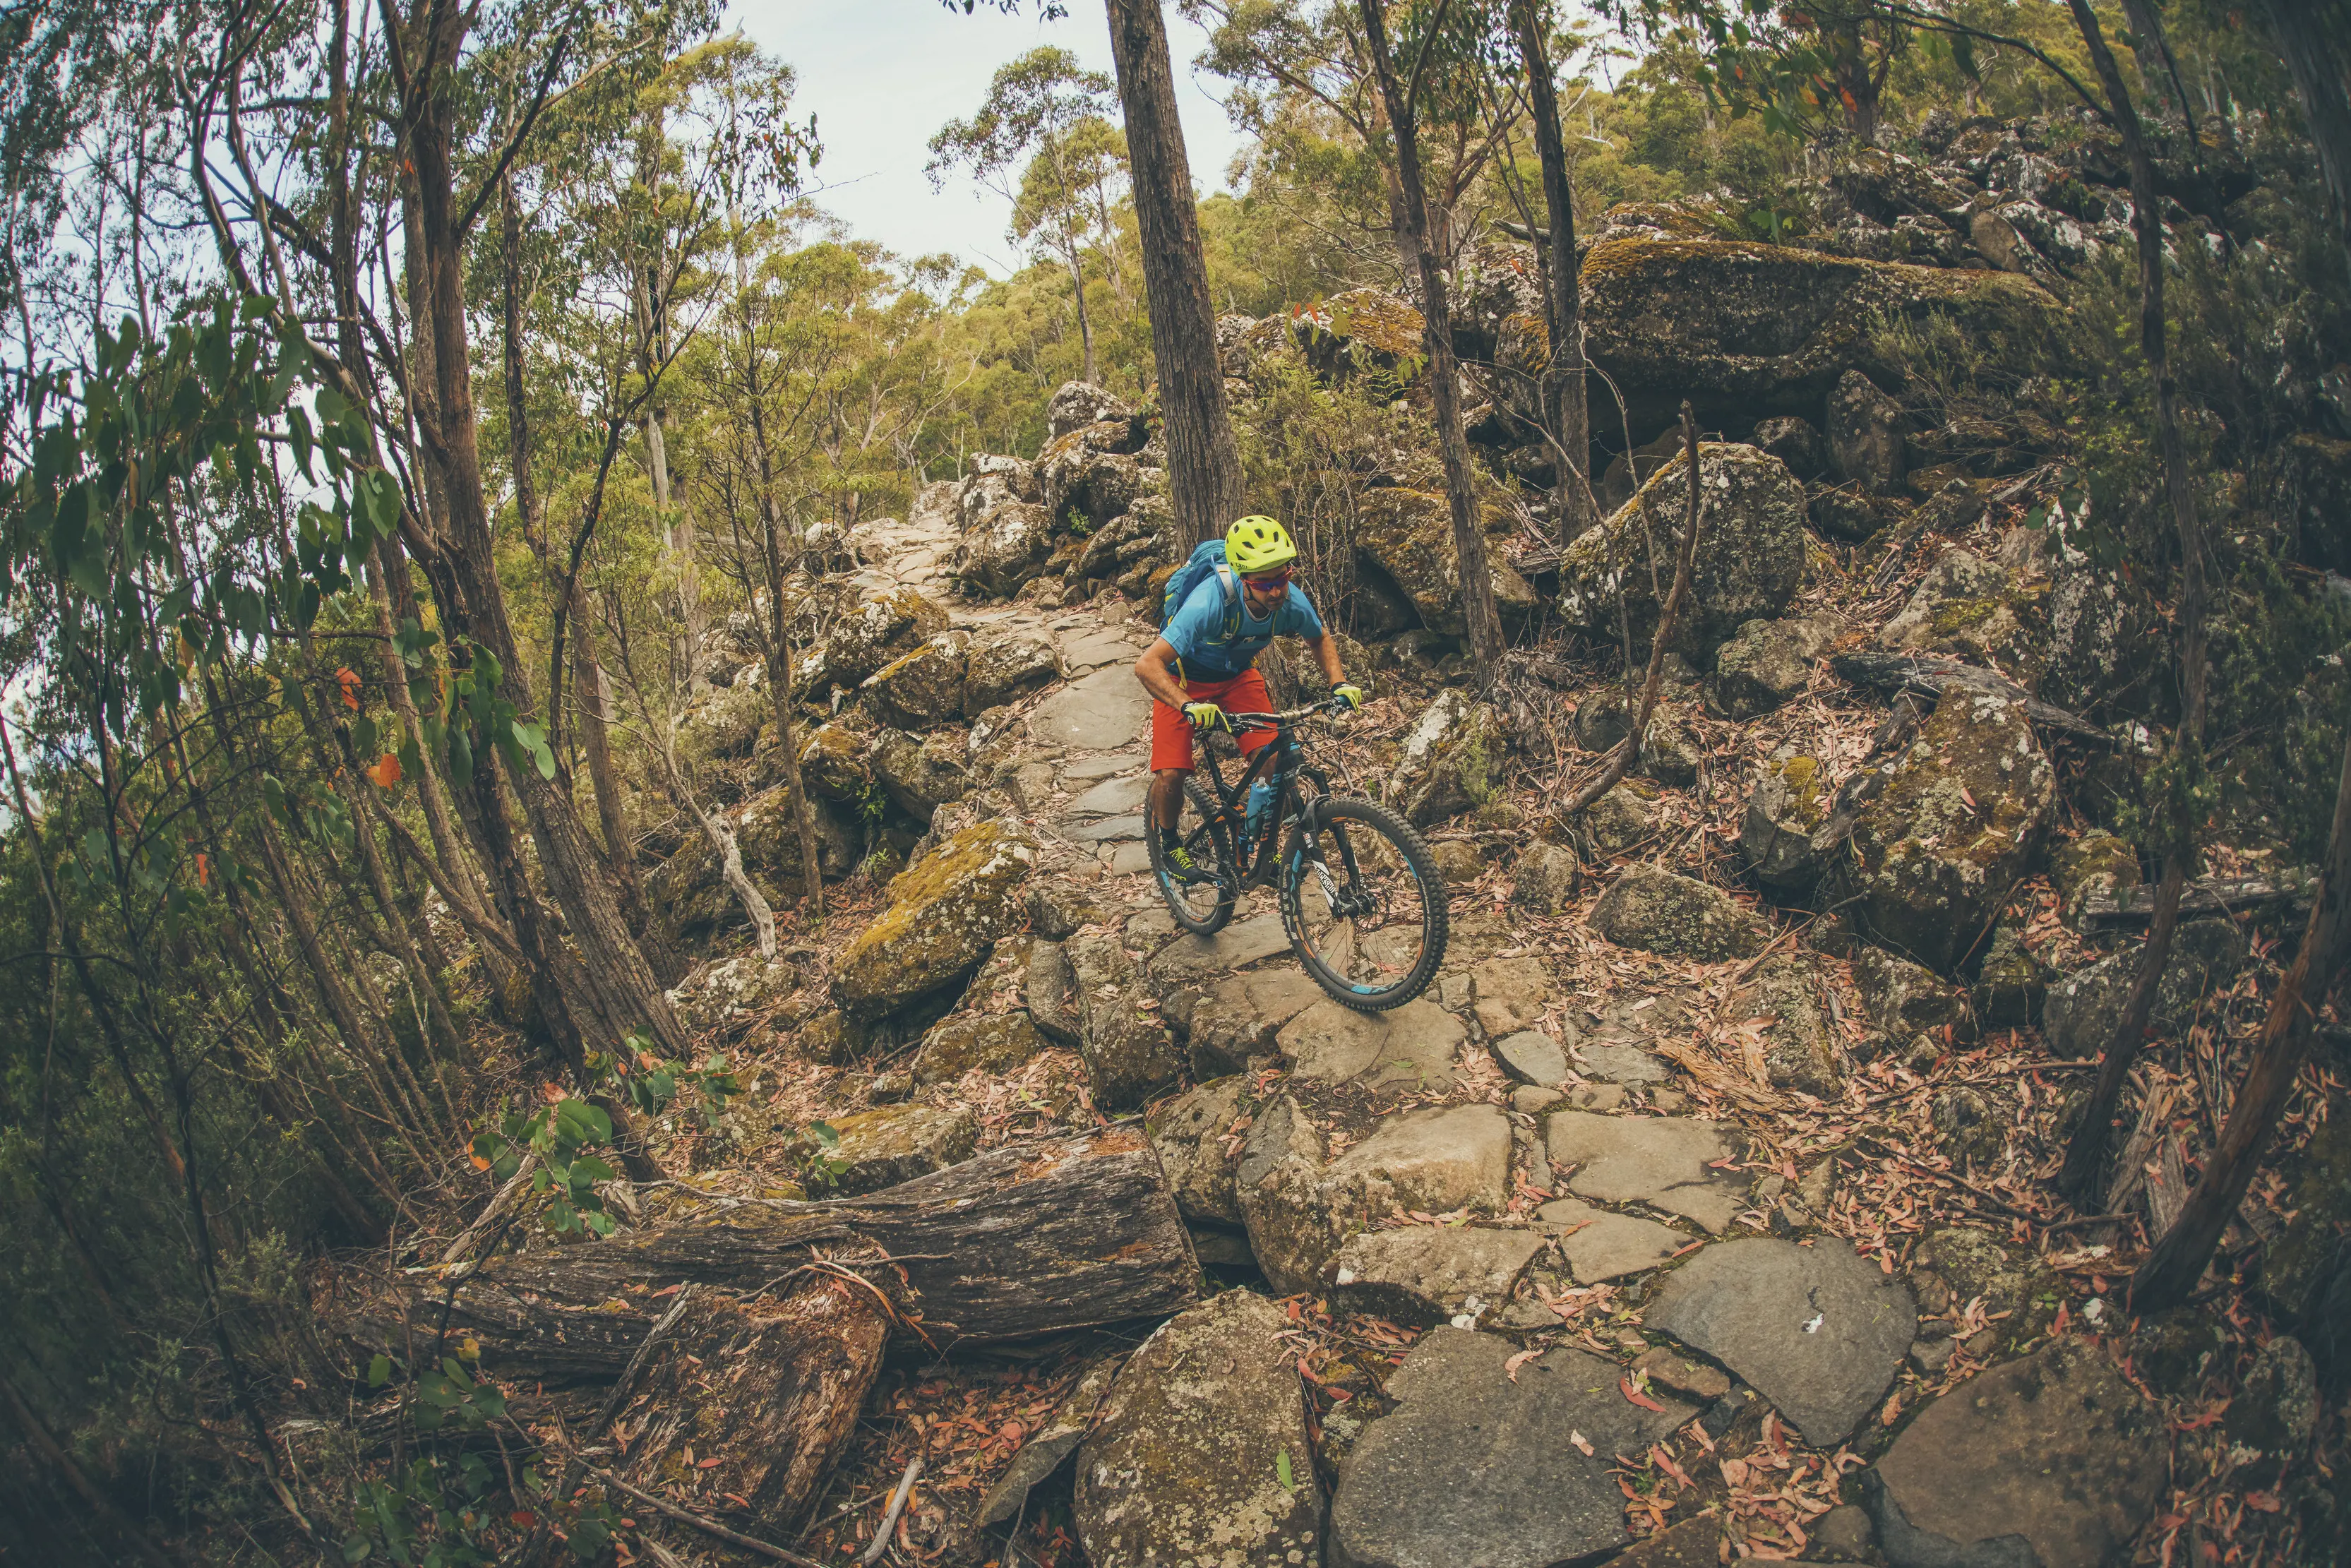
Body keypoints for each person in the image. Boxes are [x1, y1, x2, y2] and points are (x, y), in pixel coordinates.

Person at [1132, 515, 1363, 880]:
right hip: (1184, 680)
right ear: (1244, 580)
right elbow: (1147, 665)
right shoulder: (1209, 603)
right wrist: (1187, 705)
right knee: (1172, 773)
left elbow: (1319, 638)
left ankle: (1260, 848)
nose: (1275, 592)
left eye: (1282, 579)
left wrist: (1338, 684)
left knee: (1272, 762)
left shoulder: (1291, 602)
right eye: (1264, 583)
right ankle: (1170, 841)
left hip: (1237, 677)